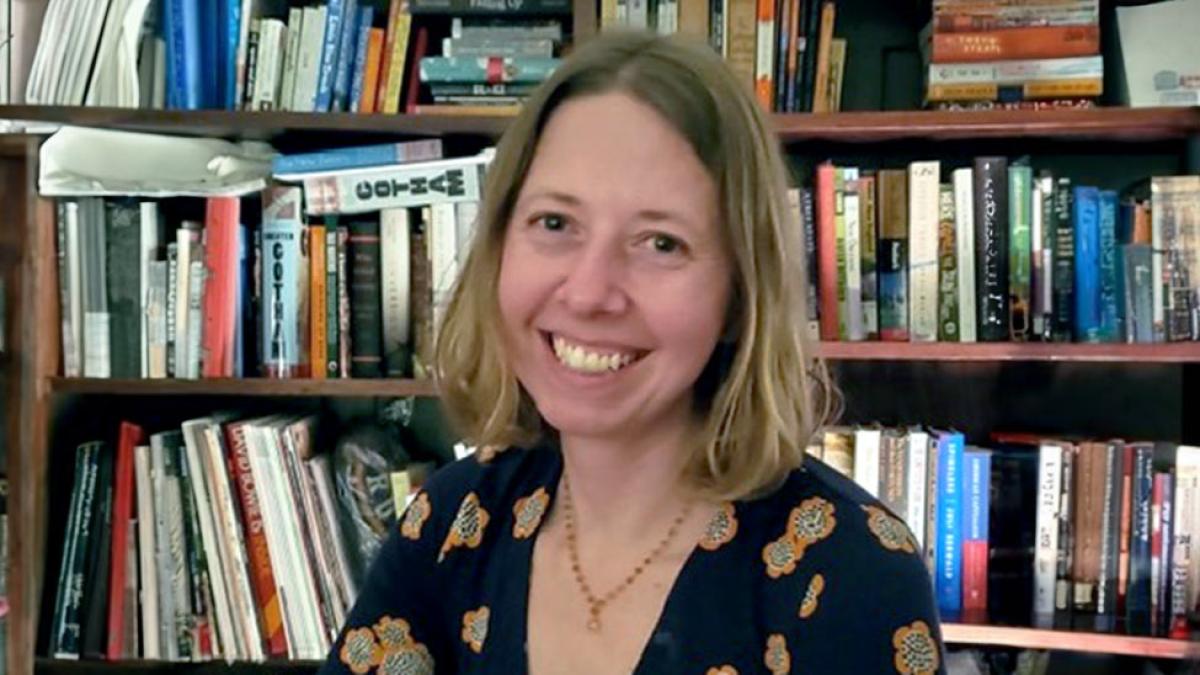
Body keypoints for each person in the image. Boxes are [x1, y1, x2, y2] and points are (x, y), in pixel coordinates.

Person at [320, 30, 944, 675]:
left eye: (661, 243)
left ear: (738, 296)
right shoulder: (453, 522)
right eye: (555, 224)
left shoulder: (851, 572)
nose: (590, 293)